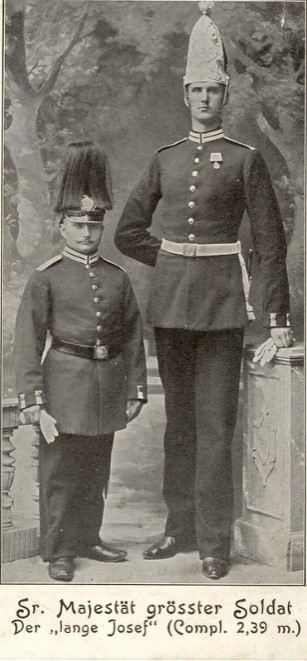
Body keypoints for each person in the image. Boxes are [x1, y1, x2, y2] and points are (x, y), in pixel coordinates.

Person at [114, 6, 292, 580]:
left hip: (221, 311)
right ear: (184, 93)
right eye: (196, 90)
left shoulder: (245, 159)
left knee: (216, 429)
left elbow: (268, 240)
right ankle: (179, 528)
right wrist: (168, 261)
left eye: (213, 90)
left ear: (225, 94)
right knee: (179, 426)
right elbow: (128, 231)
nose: (204, 99)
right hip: (171, 309)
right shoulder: (165, 159)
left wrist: (276, 314)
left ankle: (215, 541)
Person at [14, 141, 147, 582]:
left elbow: (132, 337)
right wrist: (32, 396)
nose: (88, 233)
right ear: (62, 226)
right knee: (61, 472)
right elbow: (28, 340)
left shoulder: (117, 277)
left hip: (106, 384)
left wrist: (135, 389)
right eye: (78, 225)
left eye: (94, 225)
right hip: (63, 384)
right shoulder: (46, 277)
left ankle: (89, 537)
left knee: (96, 466)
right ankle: (59, 549)